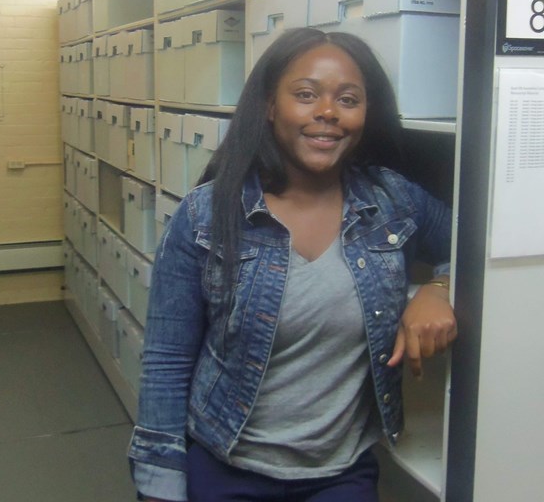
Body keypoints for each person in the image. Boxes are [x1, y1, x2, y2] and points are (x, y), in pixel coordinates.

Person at [128, 28, 457, 502]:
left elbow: (477, 247)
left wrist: (439, 286)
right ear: (269, 105)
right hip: (226, 467)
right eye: (305, 95)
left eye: (348, 99)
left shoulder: (392, 200)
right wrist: (159, 485)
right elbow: (167, 360)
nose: (328, 112)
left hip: (341, 475)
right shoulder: (205, 214)